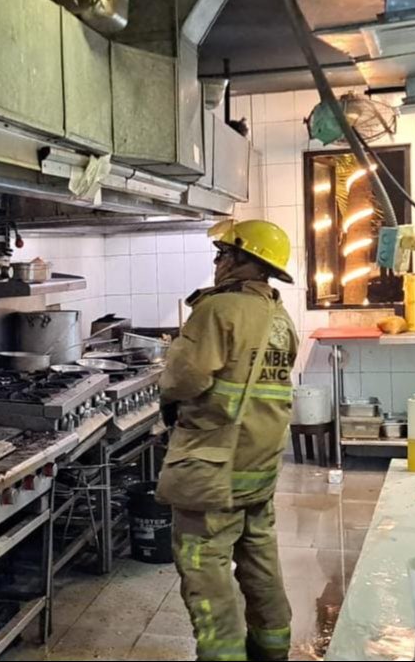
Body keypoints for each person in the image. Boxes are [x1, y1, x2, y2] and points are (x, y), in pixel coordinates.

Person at [156, 219, 299, 662]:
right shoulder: (279, 314)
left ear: (241, 260)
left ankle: (222, 655)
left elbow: (184, 379)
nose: (217, 263)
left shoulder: (218, 310)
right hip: (261, 466)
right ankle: (273, 648)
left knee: (205, 569)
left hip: (216, 468)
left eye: (222, 254)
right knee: (259, 559)